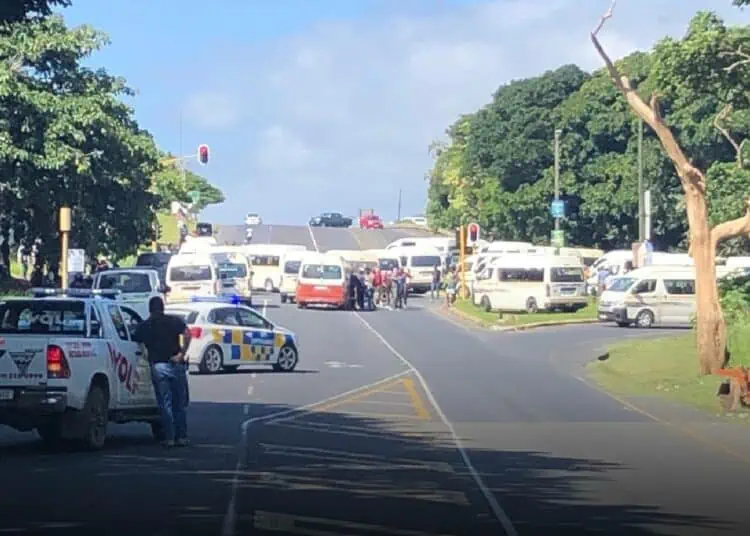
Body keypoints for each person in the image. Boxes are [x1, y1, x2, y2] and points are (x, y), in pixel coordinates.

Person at [132, 296, 192, 448]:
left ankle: (169, 438)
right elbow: (187, 334)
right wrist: (182, 354)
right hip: (176, 364)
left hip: (158, 366)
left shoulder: (145, 326)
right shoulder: (174, 321)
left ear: (150, 309)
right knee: (179, 403)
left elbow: (135, 340)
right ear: (163, 307)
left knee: (165, 404)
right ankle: (181, 437)